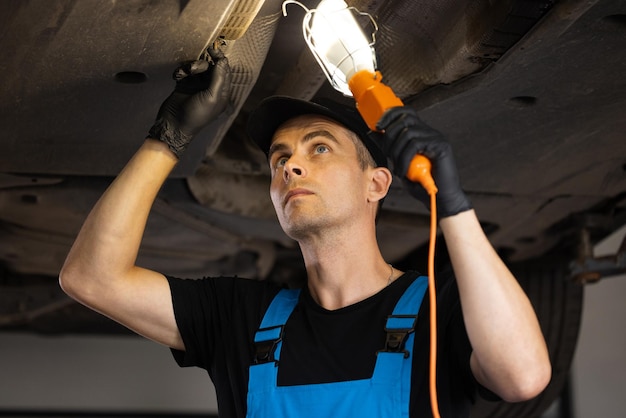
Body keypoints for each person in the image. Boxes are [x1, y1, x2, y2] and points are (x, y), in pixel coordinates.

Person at [59, 46, 551, 417]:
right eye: (280, 158)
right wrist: (168, 138)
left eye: (319, 148)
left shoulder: (439, 308)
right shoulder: (240, 320)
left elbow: (523, 377)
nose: (291, 166)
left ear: (376, 183)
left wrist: (453, 205)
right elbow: (91, 278)